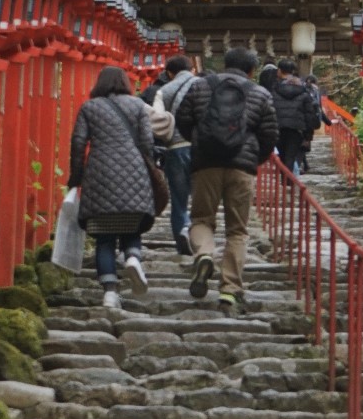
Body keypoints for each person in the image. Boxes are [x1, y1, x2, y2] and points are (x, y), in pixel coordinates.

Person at [175, 45, 277, 313]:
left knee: (201, 219)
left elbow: (183, 120)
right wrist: (254, 158)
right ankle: (230, 290)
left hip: (205, 163)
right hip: (242, 167)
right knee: (237, 230)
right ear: (252, 70)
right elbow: (269, 134)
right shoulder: (260, 93)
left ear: (224, 64)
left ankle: (205, 254)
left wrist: (198, 143)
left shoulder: (200, 87)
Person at [67, 65, 157, 313]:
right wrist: (147, 166)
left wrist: (75, 177)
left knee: (104, 237)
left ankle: (109, 293)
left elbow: (78, 143)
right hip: (134, 168)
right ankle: (132, 258)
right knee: (131, 222)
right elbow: (148, 142)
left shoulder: (90, 107)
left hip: (100, 171)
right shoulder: (137, 105)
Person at [149, 52, 197, 255]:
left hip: (175, 148)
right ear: (192, 69)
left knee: (179, 198)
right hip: (200, 148)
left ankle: (182, 235)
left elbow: (155, 120)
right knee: (202, 197)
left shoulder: (165, 90)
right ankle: (199, 236)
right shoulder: (203, 86)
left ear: (169, 72)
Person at [271, 56, 321, 174]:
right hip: (296, 129)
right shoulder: (304, 93)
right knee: (291, 156)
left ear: (279, 70)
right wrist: (309, 134)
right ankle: (289, 183)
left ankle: (285, 183)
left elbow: (270, 110)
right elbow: (309, 114)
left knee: (282, 156)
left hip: (278, 128)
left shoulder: (274, 92)